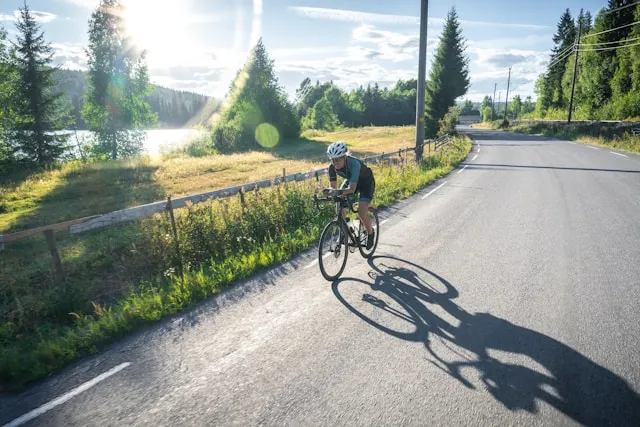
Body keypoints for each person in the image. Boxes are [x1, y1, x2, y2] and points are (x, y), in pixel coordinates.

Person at [322, 141, 376, 250]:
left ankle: (370, 233)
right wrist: (330, 192)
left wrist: (337, 192)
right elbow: (333, 187)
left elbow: (351, 189)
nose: (335, 163)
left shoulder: (354, 164)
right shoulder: (332, 167)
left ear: (344, 157)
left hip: (366, 183)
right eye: (333, 160)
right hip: (351, 181)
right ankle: (344, 229)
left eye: (338, 160)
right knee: (338, 205)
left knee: (361, 212)